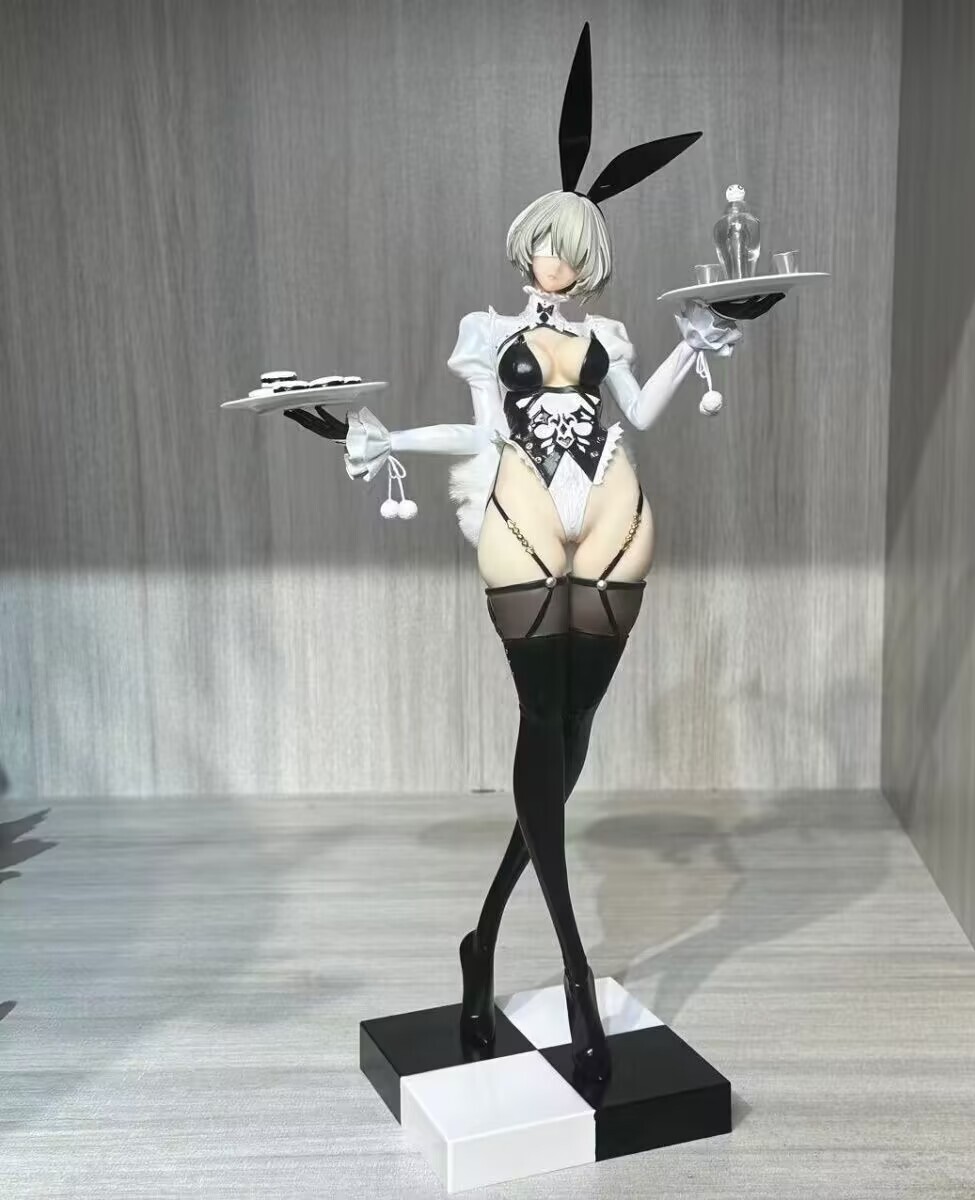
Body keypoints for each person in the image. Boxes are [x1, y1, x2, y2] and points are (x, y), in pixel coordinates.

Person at [282, 22, 782, 1084]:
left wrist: (697, 340)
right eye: (549, 245)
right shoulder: (490, 334)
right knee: (541, 723)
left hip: (614, 514)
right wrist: (386, 439)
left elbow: (640, 411)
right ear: (529, 249)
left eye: (574, 249)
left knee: (573, 735)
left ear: (591, 259)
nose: (559, 262)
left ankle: (482, 940)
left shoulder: (607, 338)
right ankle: (573, 969)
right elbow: (481, 435)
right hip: (522, 517)